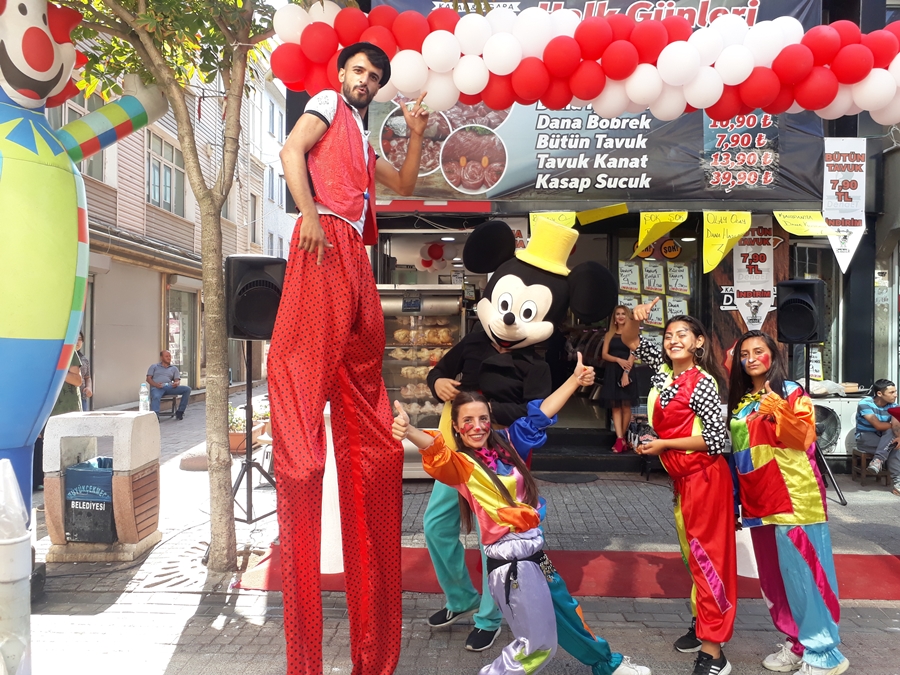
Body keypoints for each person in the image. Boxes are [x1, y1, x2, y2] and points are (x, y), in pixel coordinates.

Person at [267, 42, 430, 675]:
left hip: (356, 259)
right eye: (360, 70)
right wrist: (308, 216)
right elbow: (290, 152)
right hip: (324, 239)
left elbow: (406, 184)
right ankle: (306, 659)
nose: (367, 80)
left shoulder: (362, 137)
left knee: (372, 433)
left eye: (375, 76)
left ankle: (374, 655)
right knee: (303, 411)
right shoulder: (328, 103)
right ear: (342, 74)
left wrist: (415, 133)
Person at [394, 354, 651, 675]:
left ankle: (606, 664)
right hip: (513, 569)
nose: (477, 426)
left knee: (568, 613)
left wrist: (574, 380)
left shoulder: (509, 445)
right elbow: (435, 450)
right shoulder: (462, 465)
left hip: (537, 558)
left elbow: (540, 414)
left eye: (483, 418)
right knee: (536, 646)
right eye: (468, 421)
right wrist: (409, 430)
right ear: (456, 428)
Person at [728, 330, 848, 675]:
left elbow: (804, 437)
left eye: (758, 351)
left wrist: (779, 408)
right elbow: (738, 456)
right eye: (744, 354)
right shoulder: (742, 402)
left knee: (805, 576)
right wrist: (736, 502)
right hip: (758, 502)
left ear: (773, 355)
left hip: (794, 498)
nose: (751, 358)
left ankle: (824, 653)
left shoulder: (791, 391)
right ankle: (797, 643)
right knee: (775, 580)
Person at [632, 302, 736, 675]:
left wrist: (662, 445)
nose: (673, 340)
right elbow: (631, 342)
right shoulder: (665, 376)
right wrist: (634, 319)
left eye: (682, 335)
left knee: (709, 563)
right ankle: (702, 625)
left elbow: (716, 439)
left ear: (699, 342)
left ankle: (714, 653)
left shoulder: (702, 382)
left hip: (705, 480)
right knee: (694, 560)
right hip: (685, 482)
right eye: (668, 335)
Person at [34, 350, 82, 490]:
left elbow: (78, 380)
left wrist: (56, 371)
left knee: (70, 452)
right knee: (46, 451)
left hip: (67, 411)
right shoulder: (35, 352)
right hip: (44, 411)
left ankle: (72, 486)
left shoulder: (67, 350)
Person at [599, 305, 640, 452]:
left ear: (628, 316)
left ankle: (621, 438)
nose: (621, 316)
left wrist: (626, 373)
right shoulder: (609, 334)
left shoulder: (632, 334)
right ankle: (620, 439)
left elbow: (634, 353)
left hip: (627, 371)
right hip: (612, 371)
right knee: (615, 406)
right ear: (614, 318)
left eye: (623, 314)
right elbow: (604, 355)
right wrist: (617, 360)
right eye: (618, 314)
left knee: (626, 406)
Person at [856, 379, 900, 496]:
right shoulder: (865, 403)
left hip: (884, 441)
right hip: (865, 438)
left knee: (895, 444)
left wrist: (899, 437)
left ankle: (877, 461)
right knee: (893, 444)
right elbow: (878, 425)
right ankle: (897, 483)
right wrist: (894, 428)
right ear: (879, 393)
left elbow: (896, 427)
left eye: (895, 391)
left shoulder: (895, 406)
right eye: (891, 392)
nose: (895, 395)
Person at [146, 350, 191, 420]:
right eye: (166, 356)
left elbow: (177, 380)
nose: (169, 358)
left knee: (187, 389)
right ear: (161, 357)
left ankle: (180, 412)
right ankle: (155, 417)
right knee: (156, 396)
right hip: (157, 387)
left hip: (169, 387)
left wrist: (176, 383)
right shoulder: (154, 366)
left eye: (170, 356)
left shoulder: (174, 368)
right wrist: (156, 385)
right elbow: (148, 379)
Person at [76, 332, 92, 412]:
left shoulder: (84, 359)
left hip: (82, 398)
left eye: (80, 339)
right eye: (75, 339)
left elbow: (87, 377)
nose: (77, 342)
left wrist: (89, 387)